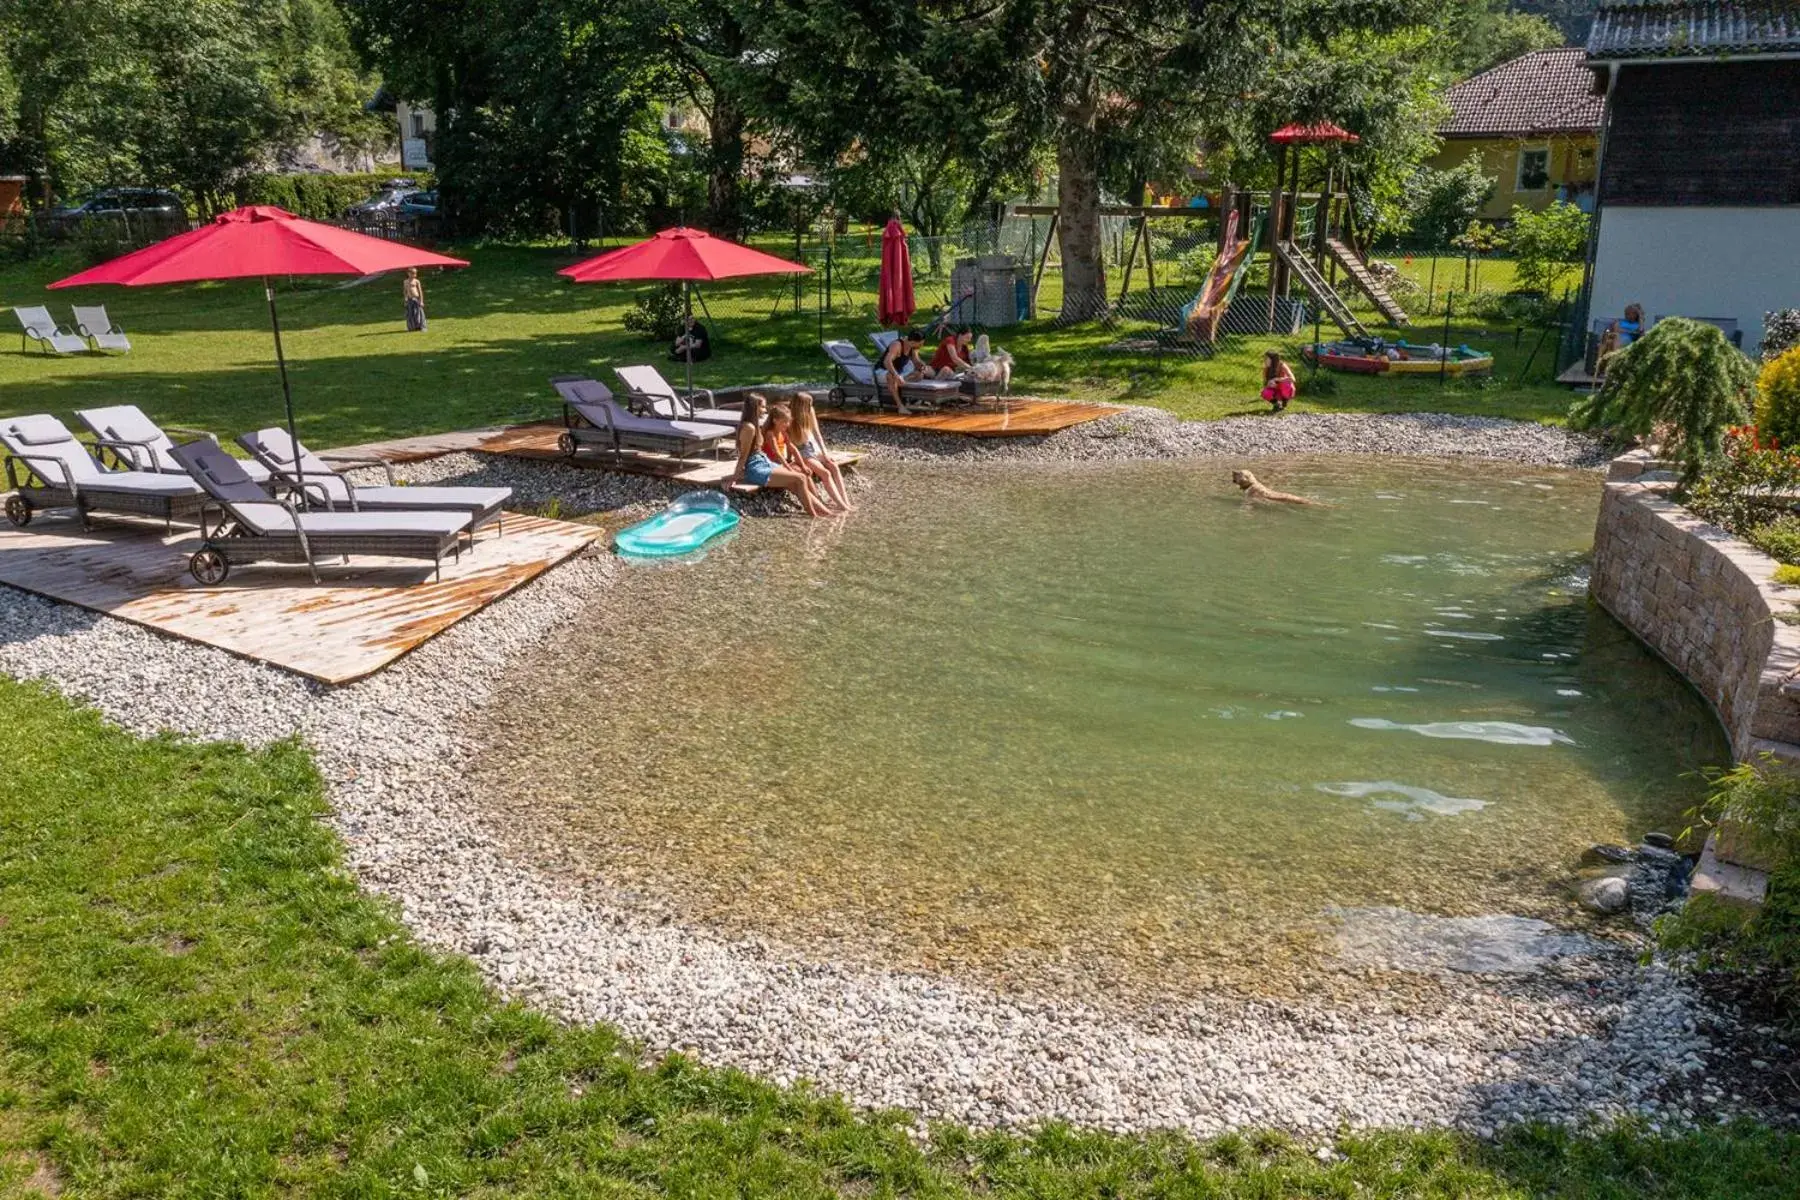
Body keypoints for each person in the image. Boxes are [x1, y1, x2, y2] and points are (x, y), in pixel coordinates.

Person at [728, 394, 832, 517]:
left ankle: (826, 512)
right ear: (754, 407)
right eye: (762, 407)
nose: (765, 410)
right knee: (800, 478)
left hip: (765, 462)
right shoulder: (749, 427)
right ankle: (814, 516)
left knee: (796, 482)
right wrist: (734, 477)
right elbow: (743, 456)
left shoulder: (755, 425)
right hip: (755, 468)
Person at [790, 391, 855, 512]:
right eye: (808, 405)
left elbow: (817, 434)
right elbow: (791, 444)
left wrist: (825, 453)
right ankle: (842, 506)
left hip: (813, 447)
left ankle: (845, 501)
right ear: (800, 406)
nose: (810, 407)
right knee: (825, 473)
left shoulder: (810, 411)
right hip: (802, 451)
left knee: (834, 466)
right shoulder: (791, 419)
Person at [875, 330, 926, 414]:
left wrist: (922, 365)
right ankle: (900, 406)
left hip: (899, 372)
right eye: (920, 343)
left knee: (919, 375)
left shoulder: (913, 347)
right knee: (890, 376)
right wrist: (896, 375)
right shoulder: (897, 345)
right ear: (913, 341)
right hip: (883, 371)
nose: (922, 345)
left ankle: (899, 382)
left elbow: (916, 361)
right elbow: (887, 362)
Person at [1232, 468, 1322, 506]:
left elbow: (1248, 504)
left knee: (1309, 504)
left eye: (1237, 476)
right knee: (1312, 503)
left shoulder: (1252, 490)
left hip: (1283, 499)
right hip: (1284, 497)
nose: (1234, 477)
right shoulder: (1256, 486)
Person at [402, 268, 427, 332]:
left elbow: (420, 291)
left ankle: (422, 327)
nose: (414, 275)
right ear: (408, 273)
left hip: (416, 298)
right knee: (410, 313)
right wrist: (405, 299)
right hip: (409, 299)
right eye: (412, 273)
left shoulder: (416, 281)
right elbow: (405, 291)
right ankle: (411, 327)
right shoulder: (405, 282)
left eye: (415, 273)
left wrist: (421, 301)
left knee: (419, 313)